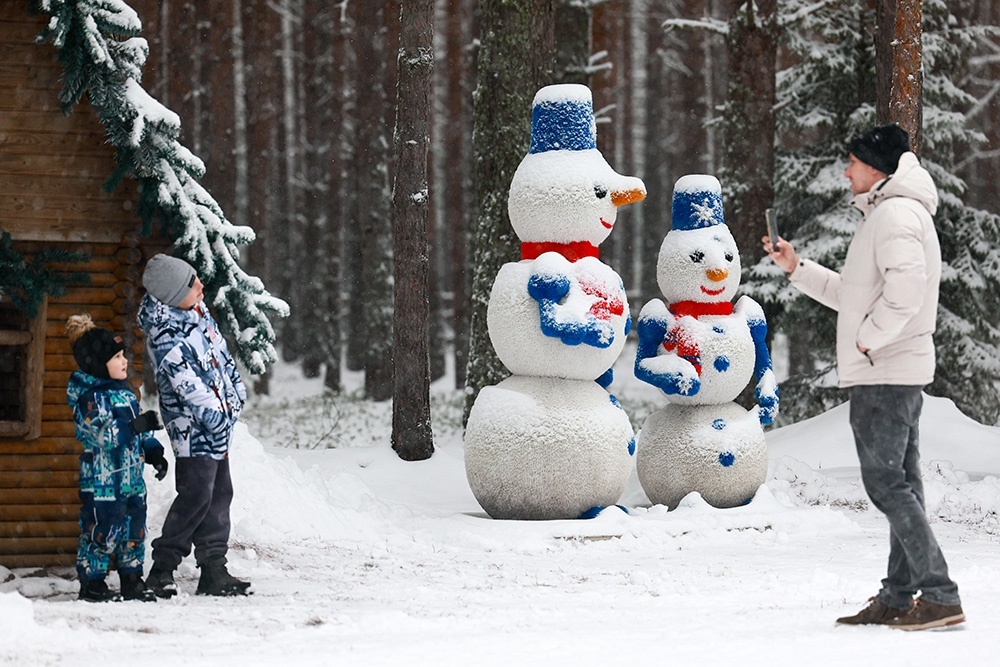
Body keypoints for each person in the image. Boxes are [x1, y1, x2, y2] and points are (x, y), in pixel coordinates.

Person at [763, 123, 964, 631]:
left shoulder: (895, 215)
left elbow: (904, 294)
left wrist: (869, 339)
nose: (846, 170)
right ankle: (899, 598)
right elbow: (856, 294)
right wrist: (797, 267)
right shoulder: (889, 214)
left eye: (852, 161)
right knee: (903, 484)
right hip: (894, 369)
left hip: (885, 371)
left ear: (876, 167)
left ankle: (939, 593)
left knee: (885, 484)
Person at [137, 253, 251, 597]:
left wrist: (236, 393)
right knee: (196, 496)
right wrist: (215, 416)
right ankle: (162, 568)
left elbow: (223, 357)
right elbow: (186, 384)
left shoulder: (198, 314)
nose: (201, 285)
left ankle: (214, 567)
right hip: (194, 429)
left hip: (217, 424)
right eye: (192, 283)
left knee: (219, 494)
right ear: (173, 295)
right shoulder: (165, 334)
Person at [66, 314, 168, 603]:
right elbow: (102, 435)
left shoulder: (124, 395)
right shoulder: (88, 398)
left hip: (131, 479)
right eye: (117, 357)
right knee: (102, 529)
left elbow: (135, 433)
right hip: (103, 482)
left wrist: (152, 451)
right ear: (99, 364)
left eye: (124, 355)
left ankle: (132, 578)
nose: (124, 361)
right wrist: (135, 426)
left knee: (134, 530)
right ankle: (93, 582)